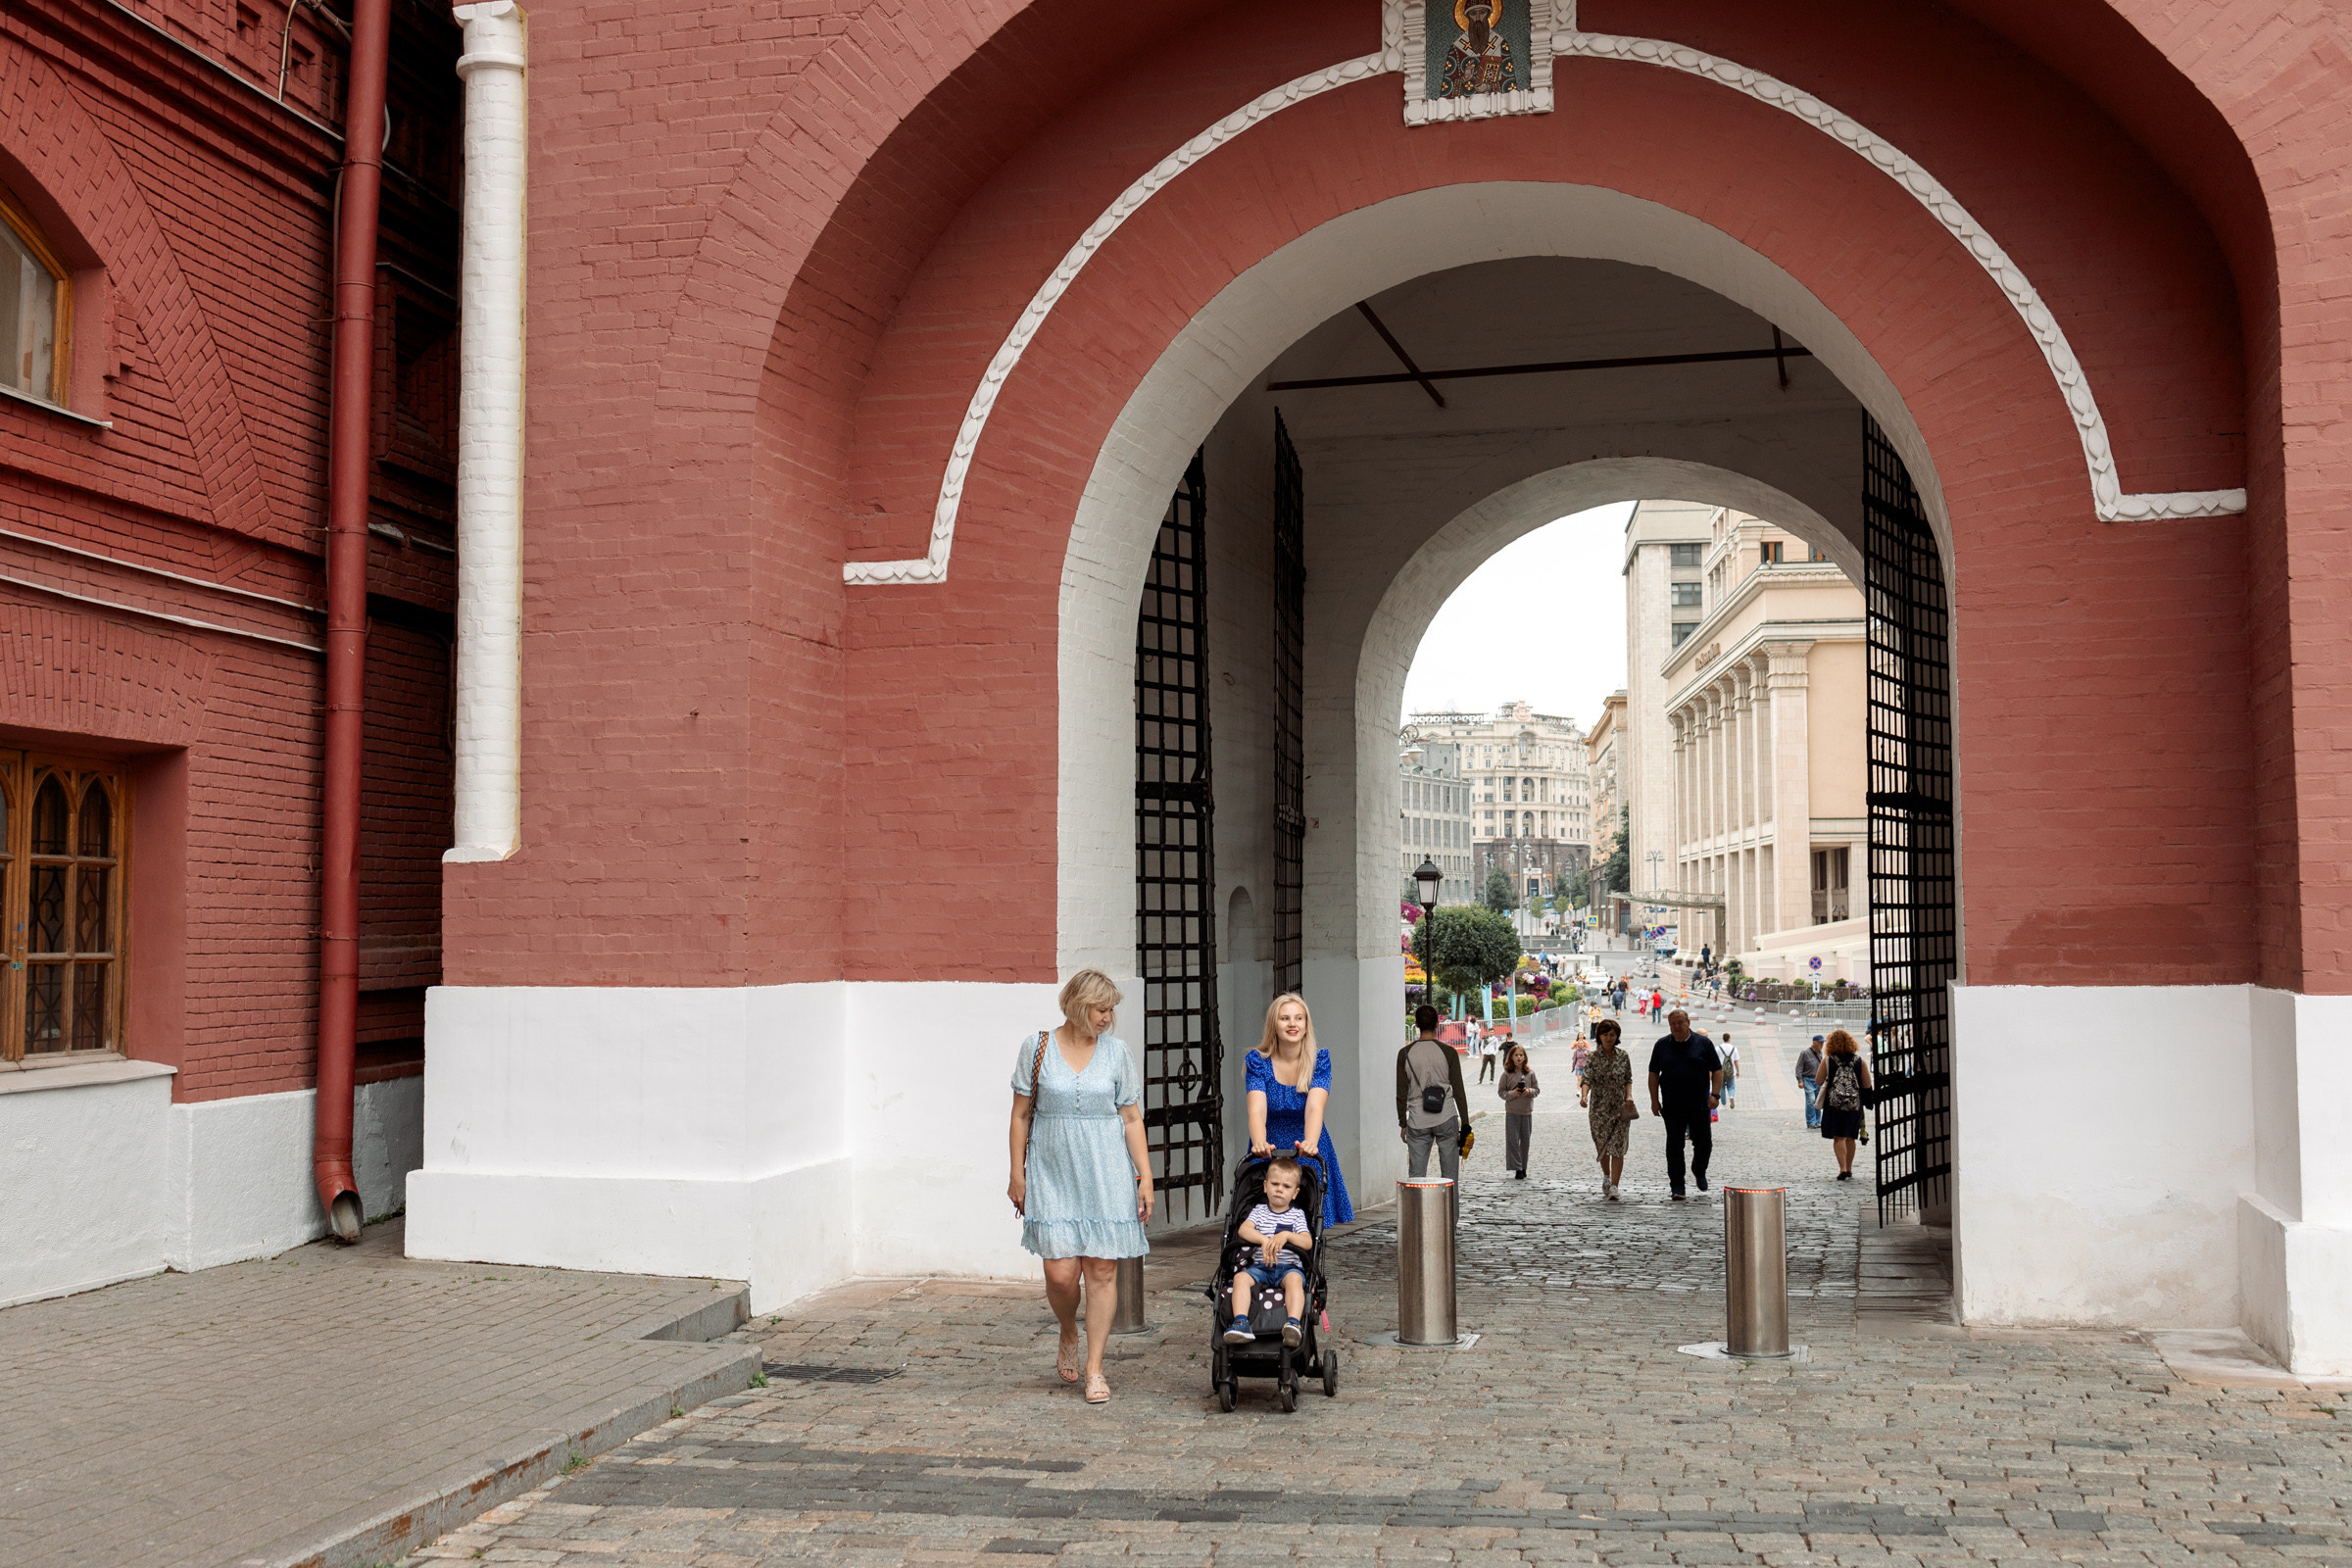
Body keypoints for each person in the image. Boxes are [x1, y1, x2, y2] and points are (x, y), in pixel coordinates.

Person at [1007, 968, 1153, 1404]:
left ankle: (1095, 1368)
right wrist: (1018, 1172)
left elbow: (1130, 1118)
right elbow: (1019, 1115)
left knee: (1103, 1270)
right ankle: (1068, 1328)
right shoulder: (1037, 1048)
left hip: (1106, 1170)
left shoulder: (1117, 1053)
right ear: (1076, 1006)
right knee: (1060, 1272)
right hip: (1052, 1170)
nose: (1108, 1017)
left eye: (1111, 1010)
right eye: (1101, 1009)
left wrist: (1145, 1177)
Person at [1245, 993, 1354, 1226]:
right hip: (1270, 1144)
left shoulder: (1319, 1062)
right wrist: (1260, 1142)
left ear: (1306, 1026)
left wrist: (1310, 1143)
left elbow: (1315, 1108)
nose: (1292, 1024)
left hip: (1307, 1144)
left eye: (1298, 1018)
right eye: (1285, 1018)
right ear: (1274, 1025)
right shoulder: (1258, 1062)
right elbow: (1257, 1110)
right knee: (1264, 1219)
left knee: (1309, 1218)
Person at [1223, 1155, 1314, 1348]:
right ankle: (1241, 1322)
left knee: (1295, 1281)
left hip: (1288, 1268)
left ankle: (1293, 1324)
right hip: (1260, 1267)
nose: (1279, 1189)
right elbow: (1244, 1230)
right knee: (1240, 1279)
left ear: (1295, 1193)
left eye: (1286, 1187)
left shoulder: (1297, 1215)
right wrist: (1264, 1240)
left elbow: (1307, 1242)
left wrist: (1287, 1236)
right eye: (1274, 1184)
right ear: (1265, 1186)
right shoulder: (1259, 1211)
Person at [1646, 1008, 1722, 1200]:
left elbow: (1717, 1070)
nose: (1677, 1027)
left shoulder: (1703, 1043)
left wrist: (1716, 1095)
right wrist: (1654, 1100)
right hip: (1672, 1106)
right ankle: (1677, 1186)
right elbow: (1653, 1074)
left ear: (1688, 1023)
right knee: (1674, 1146)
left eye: (1680, 1023)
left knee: (1704, 1143)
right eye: (1673, 1024)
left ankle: (1699, 1170)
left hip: (1699, 1104)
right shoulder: (1661, 1045)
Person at [1397, 1004, 1470, 1181]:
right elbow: (1459, 1091)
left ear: (1416, 1024)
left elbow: (1401, 1093)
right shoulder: (1449, 1052)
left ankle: (1417, 1209)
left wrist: (1403, 1123)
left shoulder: (1405, 1054)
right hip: (1446, 1116)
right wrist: (1466, 1123)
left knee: (1416, 1176)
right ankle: (1449, 1209)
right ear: (1438, 1024)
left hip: (1417, 1119)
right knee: (1450, 1176)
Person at [1583, 1018, 1635, 1199]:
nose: (1609, 1038)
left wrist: (1629, 1096)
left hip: (1620, 1108)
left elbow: (1628, 1079)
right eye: (1605, 1034)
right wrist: (1584, 1096)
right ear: (1599, 1036)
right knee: (1603, 1145)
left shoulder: (1623, 1056)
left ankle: (1614, 1185)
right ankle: (1606, 1175)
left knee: (1618, 1147)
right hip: (1599, 1109)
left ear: (1617, 1036)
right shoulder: (1593, 1057)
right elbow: (1587, 1079)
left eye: (1612, 1035)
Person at [1817, 1028, 1874, 1180]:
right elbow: (1867, 1084)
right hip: (1854, 1104)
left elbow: (1818, 1080)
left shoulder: (1828, 1060)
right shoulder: (1859, 1061)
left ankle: (1842, 1168)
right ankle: (1849, 1168)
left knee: (1839, 1137)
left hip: (1834, 1104)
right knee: (1850, 1136)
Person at [1497, 1042, 1540, 1178]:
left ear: (1525, 1057)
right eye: (1516, 1055)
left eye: (1521, 1055)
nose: (1519, 1058)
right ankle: (1517, 1168)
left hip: (1526, 1112)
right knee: (1513, 1141)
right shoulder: (1506, 1074)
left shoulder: (1530, 1073)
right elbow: (1501, 1092)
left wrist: (1528, 1091)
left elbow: (1537, 1090)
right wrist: (1513, 1094)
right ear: (1511, 1057)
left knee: (1525, 1142)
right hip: (1512, 1112)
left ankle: (1524, 1167)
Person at [1796, 1035, 1825, 1128]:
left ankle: (1817, 1121)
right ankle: (1811, 1122)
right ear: (1814, 1043)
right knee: (1811, 1100)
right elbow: (1799, 1067)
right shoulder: (1805, 1053)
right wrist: (1800, 1080)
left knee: (1818, 1101)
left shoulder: (1820, 1053)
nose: (1822, 1044)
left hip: (1818, 1080)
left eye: (1822, 1043)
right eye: (1820, 1043)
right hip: (1808, 1079)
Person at [1719, 1032, 1739, 1110]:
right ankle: (1731, 1096)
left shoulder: (1718, 1048)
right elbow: (1736, 1061)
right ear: (1729, 1039)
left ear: (1723, 1039)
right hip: (1731, 1071)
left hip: (1721, 1071)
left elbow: (1715, 1060)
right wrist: (1738, 1071)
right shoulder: (1734, 1048)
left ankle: (1723, 1105)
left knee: (1722, 1087)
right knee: (1731, 1086)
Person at [1478, 1019, 1500, 1083]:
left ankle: (1491, 1080)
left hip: (1492, 1054)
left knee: (1492, 1068)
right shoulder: (1485, 1038)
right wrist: (1483, 1052)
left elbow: (1497, 1046)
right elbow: (1481, 1046)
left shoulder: (1495, 1039)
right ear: (1488, 1032)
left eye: (1493, 1032)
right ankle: (1480, 1080)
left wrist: (1495, 1053)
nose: (1492, 1033)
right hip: (1486, 1054)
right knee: (1483, 1068)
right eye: (1490, 1032)